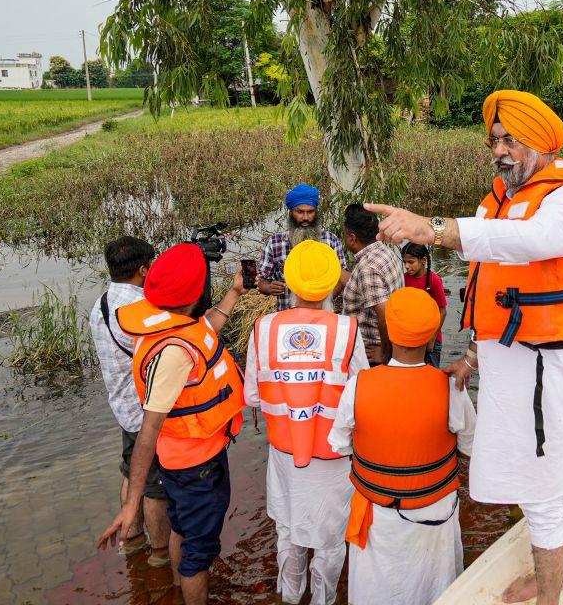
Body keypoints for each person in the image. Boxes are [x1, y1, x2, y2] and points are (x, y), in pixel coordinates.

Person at [364, 89, 563, 605]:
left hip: (548, 371)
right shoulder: (500, 198)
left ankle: (551, 593)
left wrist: (430, 228)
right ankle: (557, 573)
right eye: (495, 140)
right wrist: (474, 357)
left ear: (544, 143)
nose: (499, 149)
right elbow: (498, 286)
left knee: (541, 488)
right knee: (529, 482)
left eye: (511, 140)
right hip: (512, 368)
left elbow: (530, 241)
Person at [97, 243, 250, 605]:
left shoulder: (168, 323)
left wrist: (234, 293)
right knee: (197, 557)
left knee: (182, 530)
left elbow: (202, 331)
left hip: (183, 462)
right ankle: (190, 592)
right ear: (196, 292)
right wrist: (131, 502)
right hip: (195, 468)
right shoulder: (174, 353)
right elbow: (147, 432)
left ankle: (178, 592)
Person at [330, 287, 477, 605]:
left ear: (388, 332)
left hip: (379, 514)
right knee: (435, 587)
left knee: (378, 590)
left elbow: (340, 445)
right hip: (435, 511)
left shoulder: (358, 385)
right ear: (432, 336)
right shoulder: (451, 388)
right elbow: (471, 446)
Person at [244, 240, 368, 605]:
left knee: (289, 532)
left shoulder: (263, 328)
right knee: (331, 539)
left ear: (290, 282)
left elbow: (252, 396)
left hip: (285, 456)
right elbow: (359, 398)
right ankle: (323, 599)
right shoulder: (347, 330)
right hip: (333, 456)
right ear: (333, 284)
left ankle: (291, 594)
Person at [87, 235, 171, 569]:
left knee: (130, 471)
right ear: (143, 269)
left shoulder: (103, 303)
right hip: (145, 413)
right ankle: (160, 553)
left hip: (123, 409)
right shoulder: (141, 311)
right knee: (154, 487)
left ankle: (132, 540)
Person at [259, 182, 347, 311]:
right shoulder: (274, 243)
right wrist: (268, 287)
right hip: (287, 319)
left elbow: (340, 277)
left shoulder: (331, 241)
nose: (305, 218)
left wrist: (318, 300)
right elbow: (261, 280)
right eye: (299, 212)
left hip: (323, 316)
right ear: (290, 212)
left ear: (316, 212)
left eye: (310, 212)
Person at [337, 202, 402, 366]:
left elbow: (385, 315)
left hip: (370, 355)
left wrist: (386, 355)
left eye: (345, 235)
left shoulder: (367, 268)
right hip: (382, 345)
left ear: (352, 238)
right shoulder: (384, 251)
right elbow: (363, 286)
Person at [402, 243, 448, 367]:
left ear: (423, 261)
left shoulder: (434, 280)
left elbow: (442, 311)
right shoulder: (403, 279)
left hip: (431, 339)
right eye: (404, 262)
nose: (406, 266)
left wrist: (432, 338)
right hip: (411, 337)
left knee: (432, 374)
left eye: (411, 262)